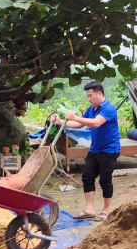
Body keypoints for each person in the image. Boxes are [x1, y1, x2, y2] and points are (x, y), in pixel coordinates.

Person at [50, 81, 120, 222]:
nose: (89, 99)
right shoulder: (91, 109)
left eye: (90, 95)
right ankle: (89, 210)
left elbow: (96, 123)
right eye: (87, 96)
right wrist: (60, 121)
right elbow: (79, 124)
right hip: (94, 149)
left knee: (105, 180)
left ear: (99, 94)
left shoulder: (109, 108)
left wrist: (75, 117)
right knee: (87, 177)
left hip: (109, 150)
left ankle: (106, 210)